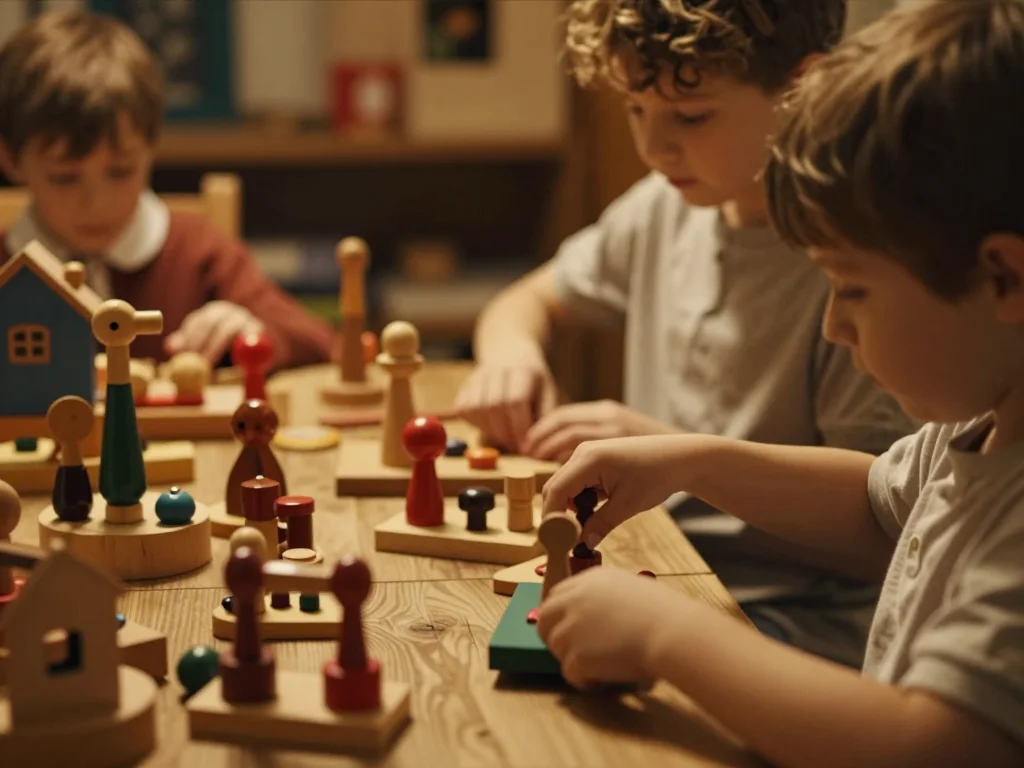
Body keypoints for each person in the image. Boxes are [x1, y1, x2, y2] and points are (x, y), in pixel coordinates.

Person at [537, 1, 1024, 765]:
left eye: (852, 289)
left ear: (1004, 278)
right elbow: (875, 509)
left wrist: (667, 633)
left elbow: (934, 745)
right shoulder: (978, 428)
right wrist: (689, 461)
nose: (834, 324)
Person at [457, 0, 914, 665]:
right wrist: (511, 355)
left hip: (788, 621)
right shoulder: (664, 206)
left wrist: (675, 459)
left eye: (692, 117)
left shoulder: (855, 267)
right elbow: (526, 301)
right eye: (635, 110)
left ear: (804, 87)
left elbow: (886, 533)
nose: (653, 148)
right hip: (659, 564)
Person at [0, 10, 333, 369]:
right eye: (65, 177)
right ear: (11, 159)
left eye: (121, 171)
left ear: (152, 148)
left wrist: (255, 334)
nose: (97, 203)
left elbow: (325, 346)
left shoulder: (199, 252)